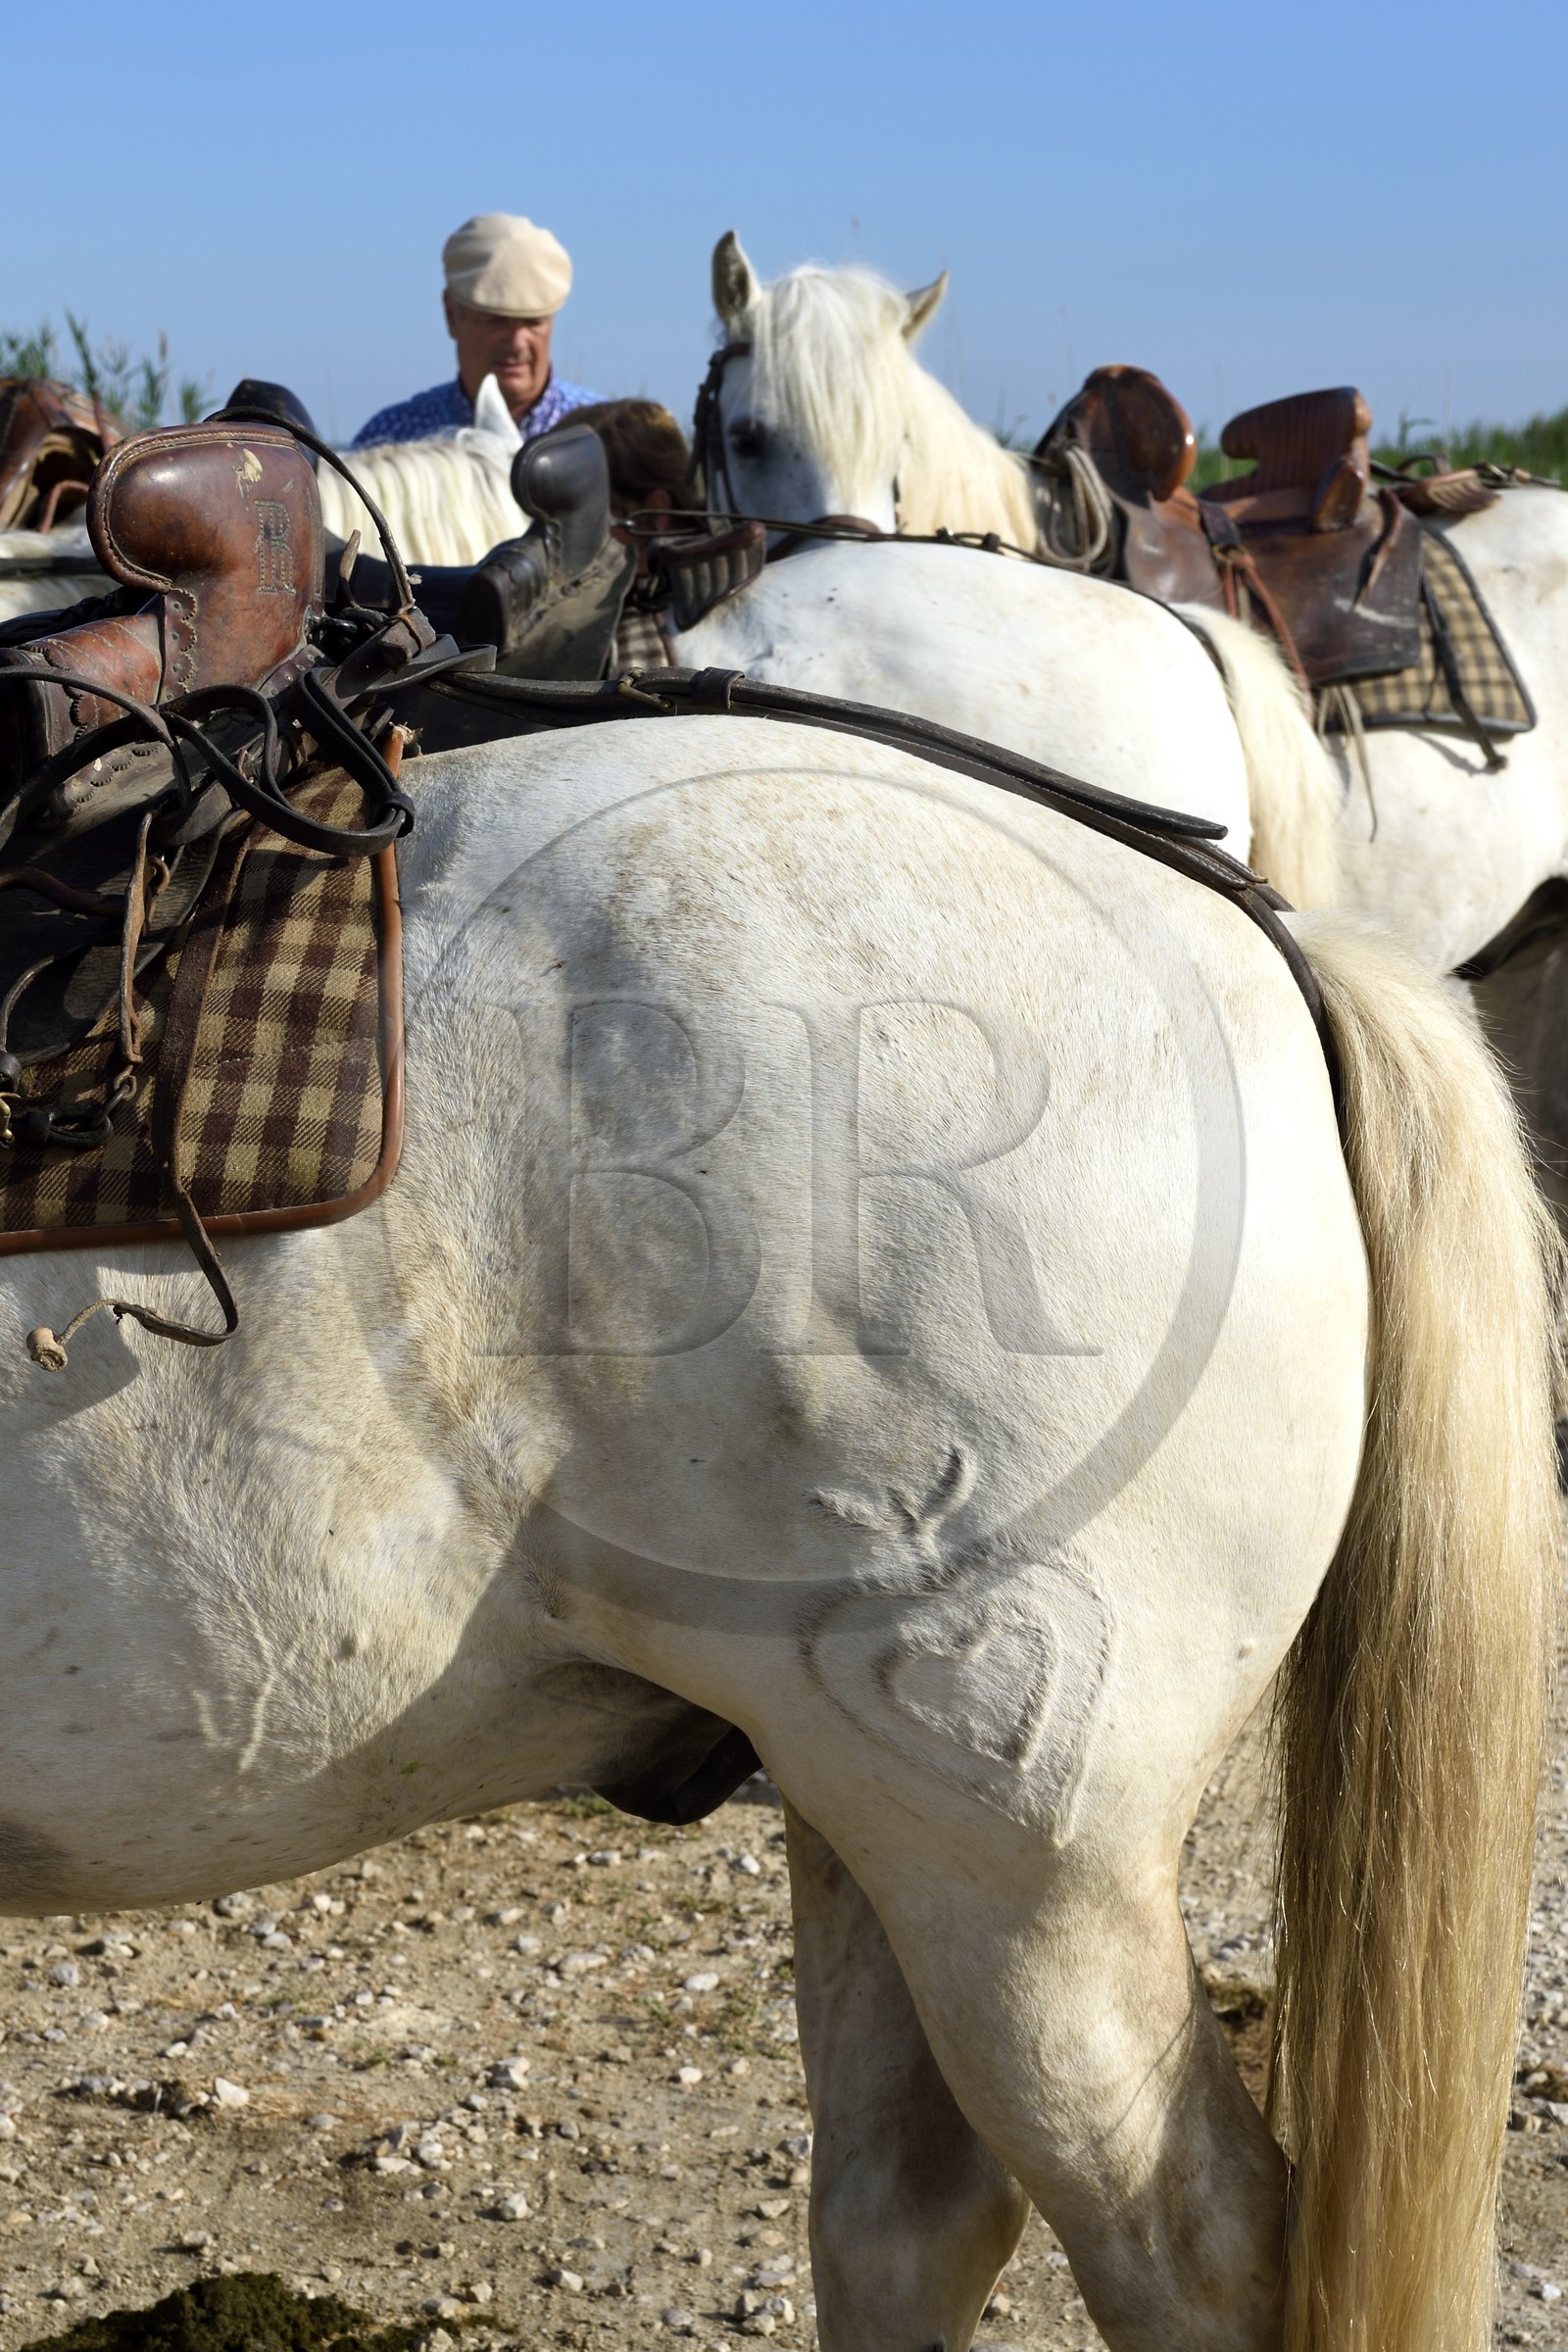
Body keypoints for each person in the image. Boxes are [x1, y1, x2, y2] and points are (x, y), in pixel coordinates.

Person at [352, 213, 602, 449]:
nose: (517, 343)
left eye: (533, 322)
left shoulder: (605, 439)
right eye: (495, 321)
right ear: (451, 315)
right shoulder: (392, 439)